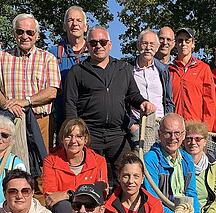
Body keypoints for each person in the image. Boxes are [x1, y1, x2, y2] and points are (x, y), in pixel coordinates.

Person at [64, 26, 155, 184]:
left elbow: (132, 94)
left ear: (110, 45)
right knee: (89, 179)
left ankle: (122, 208)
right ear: (87, 45)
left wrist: (143, 102)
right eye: (93, 42)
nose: (98, 45)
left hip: (117, 134)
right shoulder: (77, 71)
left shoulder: (123, 68)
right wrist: (74, 132)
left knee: (127, 173)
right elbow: (69, 103)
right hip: (89, 134)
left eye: (103, 42)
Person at [0, 13, 61, 177]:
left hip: (40, 119)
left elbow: (52, 91)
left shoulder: (48, 58)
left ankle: (40, 202)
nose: (25, 36)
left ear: (37, 35)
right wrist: (9, 104)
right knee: (11, 167)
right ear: (14, 33)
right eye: (20, 32)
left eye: (30, 32)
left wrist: (25, 101)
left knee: (43, 167)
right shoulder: (1, 57)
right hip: (11, 120)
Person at [42, 118, 108, 213]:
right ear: (62, 139)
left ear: (85, 139)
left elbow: (100, 193)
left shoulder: (98, 161)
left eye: (79, 136)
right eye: (68, 136)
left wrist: (69, 194)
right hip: (62, 211)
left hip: (89, 209)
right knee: (63, 206)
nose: (73, 141)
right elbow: (51, 197)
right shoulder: (51, 161)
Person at [129, 29, 175, 150]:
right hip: (138, 124)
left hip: (160, 125)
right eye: (144, 43)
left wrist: (167, 123)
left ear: (157, 47)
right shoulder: (127, 70)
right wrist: (131, 125)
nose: (148, 47)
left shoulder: (163, 70)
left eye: (152, 44)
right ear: (138, 45)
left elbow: (169, 101)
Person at [50, 6, 90, 128]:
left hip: (90, 118)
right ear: (64, 26)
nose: (75, 24)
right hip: (62, 118)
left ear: (85, 27)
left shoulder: (96, 52)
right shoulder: (53, 54)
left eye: (79, 20)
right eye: (70, 20)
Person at [168, 28, 216, 129]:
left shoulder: (203, 68)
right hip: (174, 127)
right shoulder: (168, 69)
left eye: (187, 41)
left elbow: (210, 101)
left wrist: (206, 127)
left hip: (195, 127)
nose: (183, 44)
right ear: (175, 44)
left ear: (193, 44)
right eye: (180, 41)